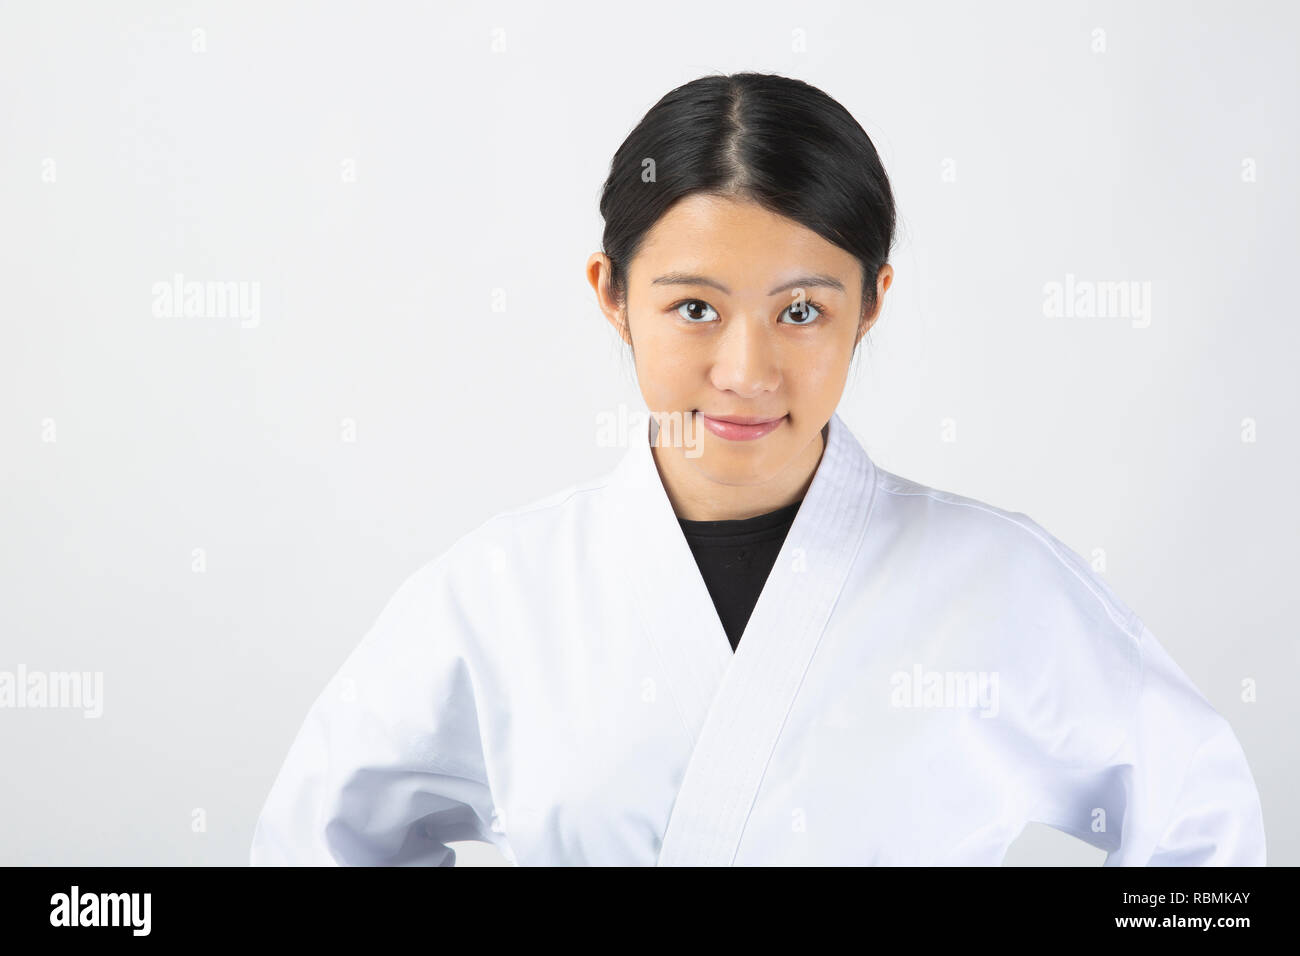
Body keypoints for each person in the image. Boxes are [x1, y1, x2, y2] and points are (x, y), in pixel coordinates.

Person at [249, 72, 1265, 866]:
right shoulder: (494, 596)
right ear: (612, 295)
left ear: (871, 303)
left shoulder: (1000, 584)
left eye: (801, 310)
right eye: (694, 307)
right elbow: (316, 845)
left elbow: (1200, 824)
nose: (744, 372)